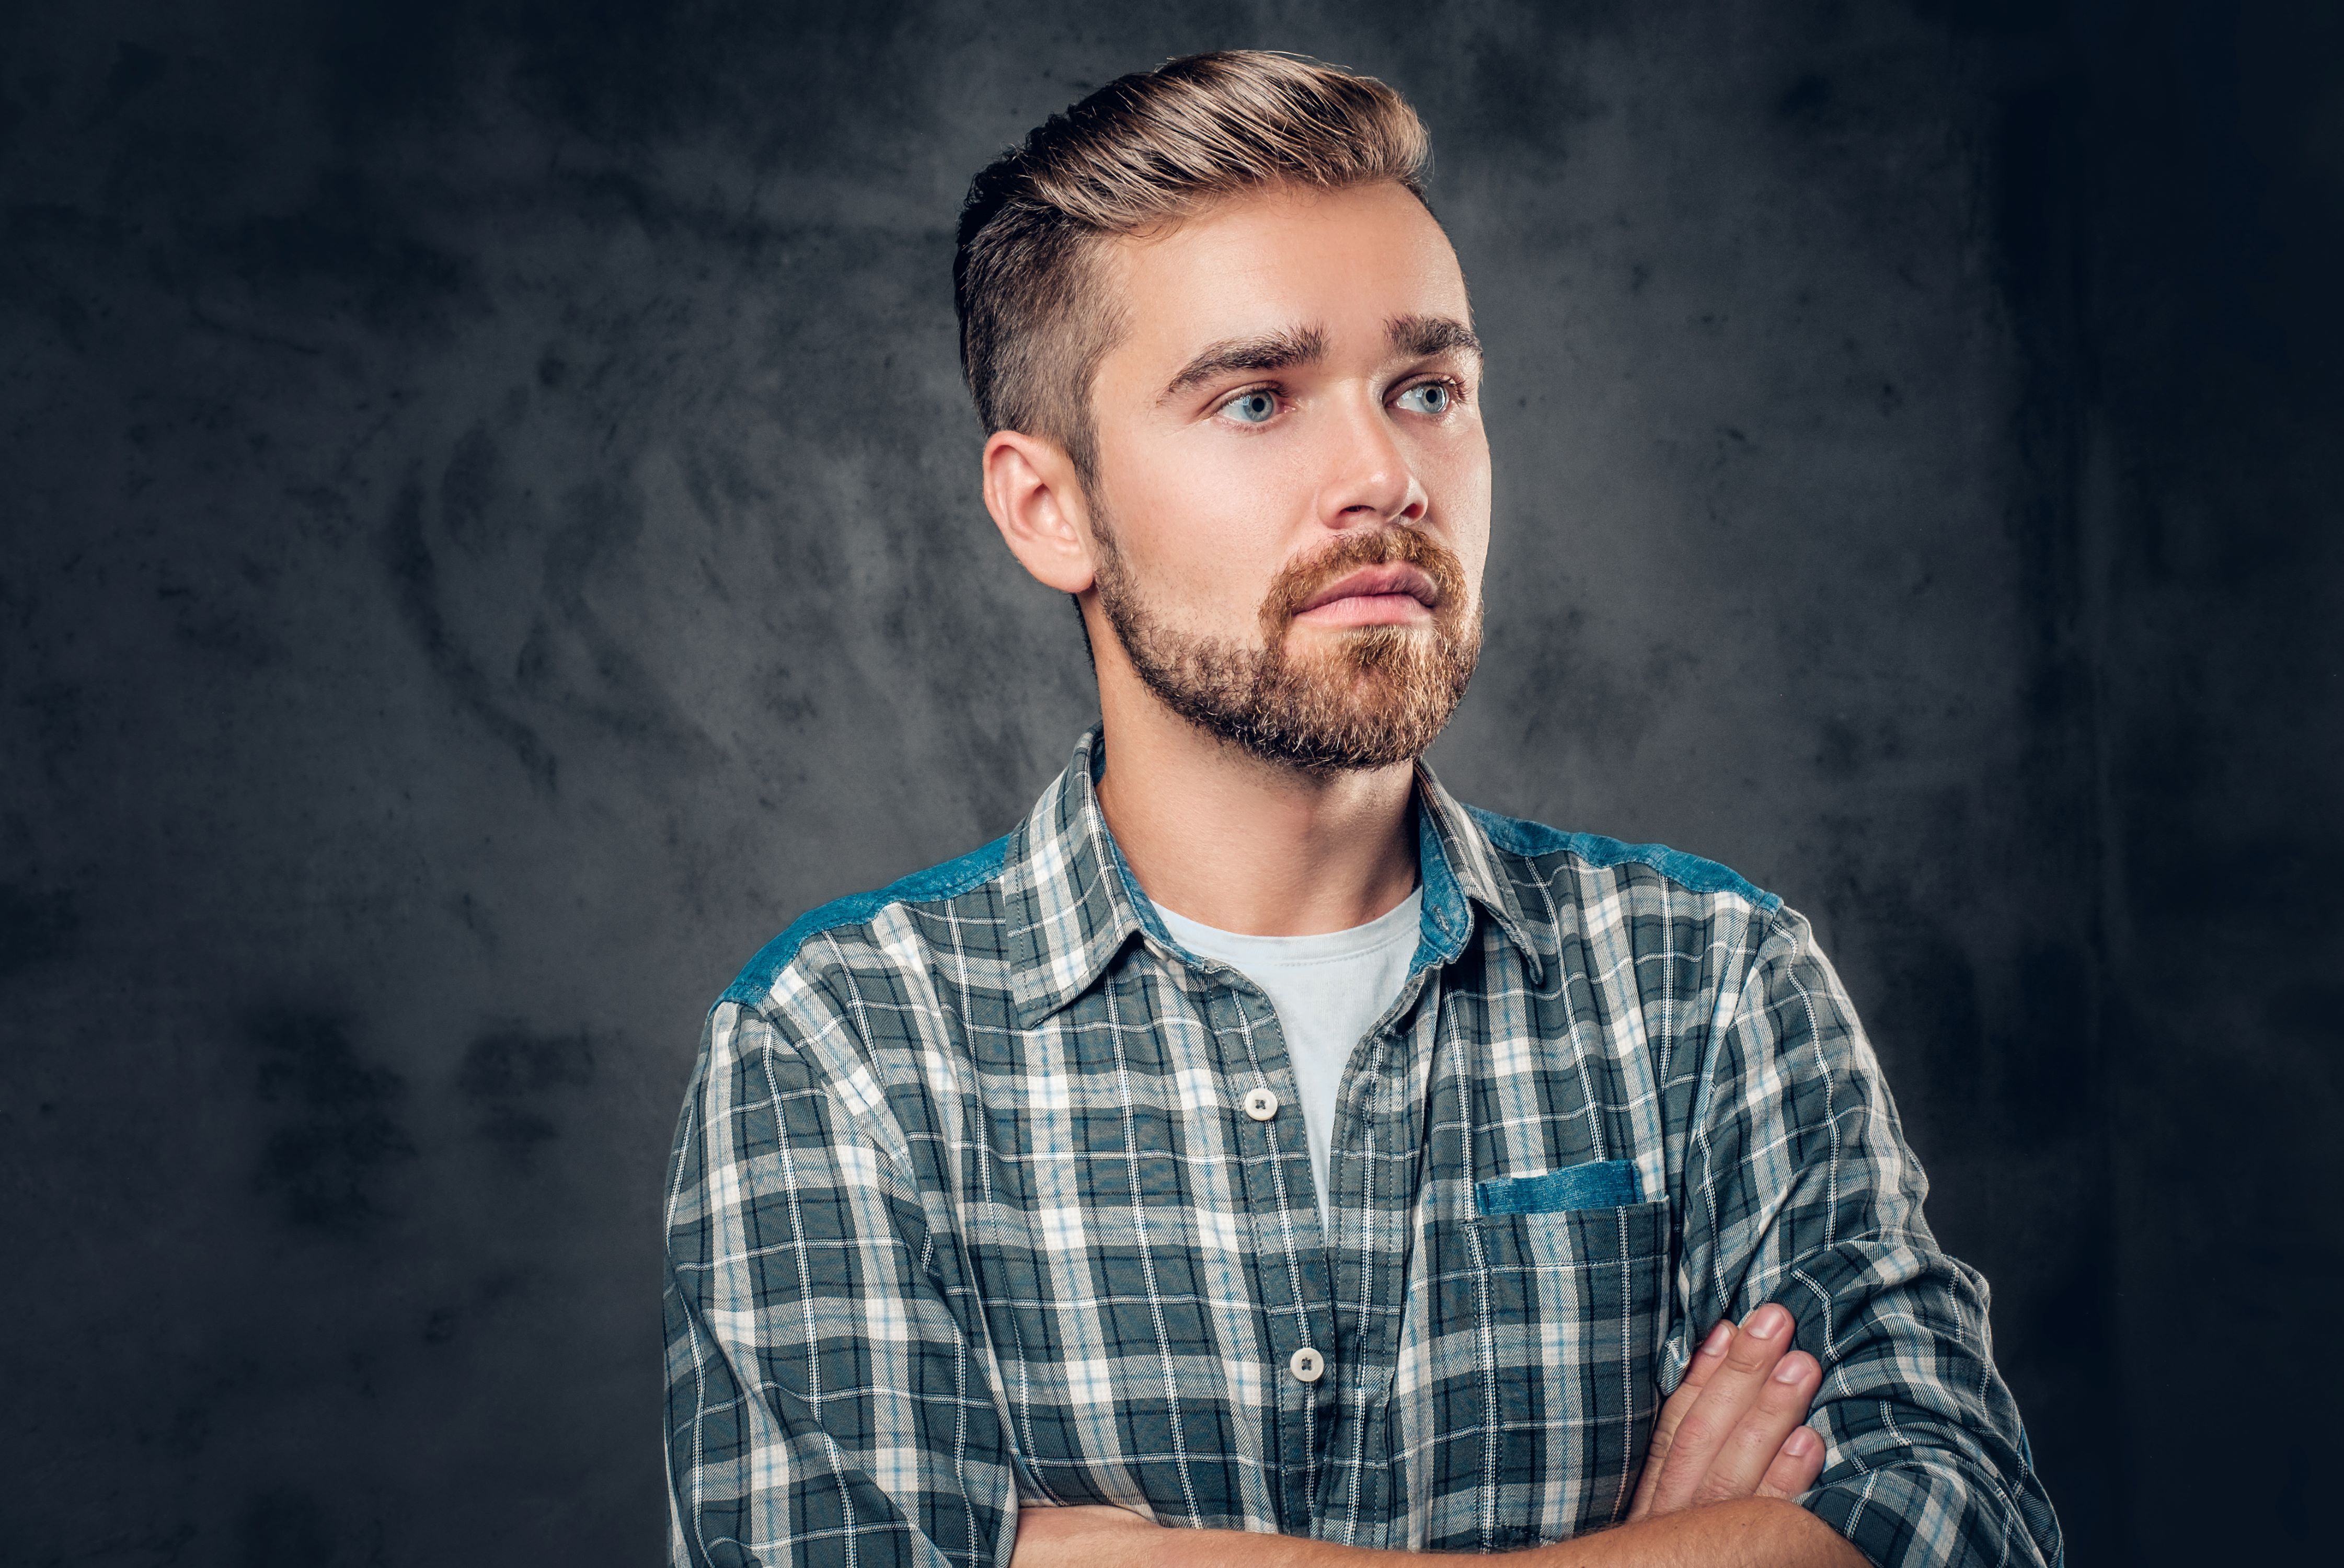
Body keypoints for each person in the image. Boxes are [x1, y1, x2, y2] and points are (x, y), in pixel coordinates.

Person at [662, 51, 2062, 1568]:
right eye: (1257, 398)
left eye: (1427, 390)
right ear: (1045, 506)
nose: (1385, 474)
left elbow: (1957, 1518)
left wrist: (1080, 1554)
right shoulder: (842, 1048)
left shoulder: (1707, 984)